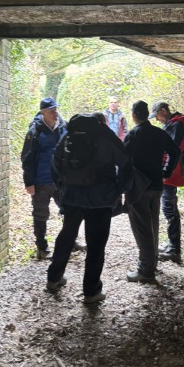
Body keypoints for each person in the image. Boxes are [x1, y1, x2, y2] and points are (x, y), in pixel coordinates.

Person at [46, 113, 133, 304]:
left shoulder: (69, 135)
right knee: (96, 245)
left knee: (67, 236)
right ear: (101, 123)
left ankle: (53, 278)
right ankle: (91, 291)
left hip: (72, 197)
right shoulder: (106, 136)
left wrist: (63, 188)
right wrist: (119, 190)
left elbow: (55, 162)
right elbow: (126, 163)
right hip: (100, 199)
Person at [123, 101, 181, 283]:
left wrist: (121, 185)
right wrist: (166, 171)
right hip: (157, 184)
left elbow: (123, 161)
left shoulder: (133, 135)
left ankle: (146, 270)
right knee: (152, 224)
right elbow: (175, 152)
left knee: (142, 228)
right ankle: (152, 262)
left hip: (138, 187)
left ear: (134, 115)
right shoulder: (159, 133)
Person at [21, 97, 85, 259]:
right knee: (40, 213)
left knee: (70, 210)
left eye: (56, 109)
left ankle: (70, 241)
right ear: (43, 113)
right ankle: (42, 248)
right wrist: (29, 182)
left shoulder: (63, 127)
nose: (55, 113)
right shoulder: (35, 131)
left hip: (62, 180)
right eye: (51, 111)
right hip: (41, 180)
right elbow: (27, 157)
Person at [149, 101, 184, 264]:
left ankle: (174, 250)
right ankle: (171, 245)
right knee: (169, 207)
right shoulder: (172, 124)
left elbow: (173, 150)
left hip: (171, 172)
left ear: (163, 111)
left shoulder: (176, 125)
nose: (156, 119)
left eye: (157, 116)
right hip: (170, 171)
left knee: (170, 208)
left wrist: (163, 171)